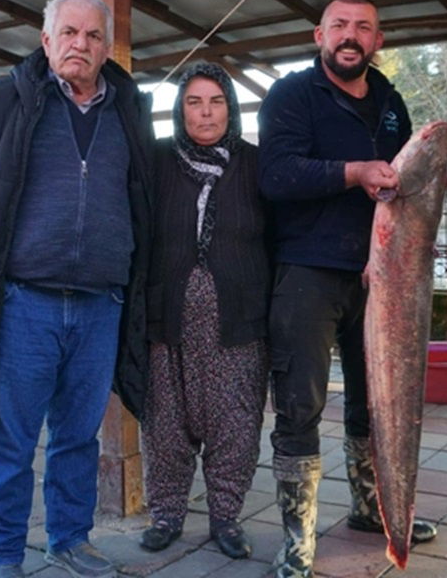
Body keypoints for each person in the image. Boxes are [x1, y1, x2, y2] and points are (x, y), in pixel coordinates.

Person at [0, 0, 154, 578]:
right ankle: (1, 554)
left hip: (99, 304)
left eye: (92, 36)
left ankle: (70, 538)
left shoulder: (127, 112)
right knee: (9, 439)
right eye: (69, 33)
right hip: (23, 302)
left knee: (79, 437)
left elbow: (145, 197)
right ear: (46, 40)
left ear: (108, 48)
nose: (79, 45)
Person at [258, 0, 438, 578]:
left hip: (380, 277)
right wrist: (353, 173)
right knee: (300, 404)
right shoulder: (292, 94)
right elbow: (277, 175)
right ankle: (297, 538)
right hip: (307, 271)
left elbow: (409, 183)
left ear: (378, 41)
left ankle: (371, 508)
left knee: (377, 401)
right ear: (319, 35)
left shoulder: (390, 102)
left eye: (363, 26)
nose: (350, 35)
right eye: (339, 25)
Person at [137, 62, 269, 560]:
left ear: (230, 108)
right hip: (167, 316)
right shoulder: (156, 161)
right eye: (194, 101)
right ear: (180, 110)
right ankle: (167, 514)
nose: (205, 111)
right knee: (166, 422)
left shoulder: (255, 165)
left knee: (234, 423)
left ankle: (226, 518)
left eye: (215, 101)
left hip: (237, 319)